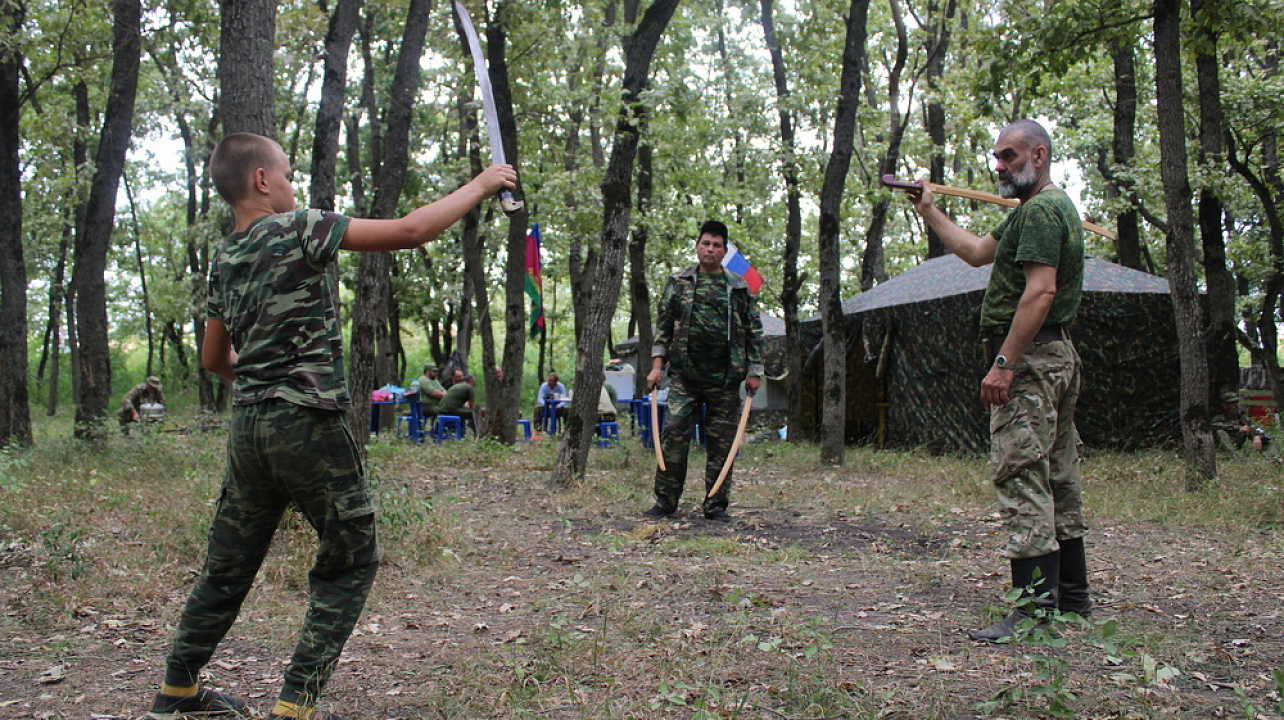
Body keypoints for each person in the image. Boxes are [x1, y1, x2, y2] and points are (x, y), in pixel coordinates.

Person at [146, 132, 514, 720]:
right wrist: (482, 183)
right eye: (287, 176)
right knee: (351, 556)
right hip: (308, 421)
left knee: (228, 563)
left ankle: (178, 691)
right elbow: (409, 231)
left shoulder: (225, 257)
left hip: (249, 428)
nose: (292, 187)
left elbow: (214, 360)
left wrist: (263, 377)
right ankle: (296, 704)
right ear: (262, 180)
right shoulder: (301, 227)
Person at [897, 119, 1090, 642]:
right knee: (1057, 475)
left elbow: (1041, 292)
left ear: (1040, 155)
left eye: (1010, 155)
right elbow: (977, 252)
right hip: (1053, 356)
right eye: (997, 157)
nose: (999, 166)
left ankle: (1033, 612)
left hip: (1031, 361)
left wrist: (1004, 362)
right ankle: (1073, 600)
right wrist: (929, 208)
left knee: (1021, 474)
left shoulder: (1043, 211)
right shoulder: (1034, 210)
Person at [644, 220, 763, 522]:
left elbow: (753, 330)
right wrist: (657, 368)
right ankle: (666, 502)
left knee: (722, 445)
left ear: (724, 251)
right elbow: (664, 327)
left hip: (725, 380)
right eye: (706, 243)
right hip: (684, 379)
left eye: (717, 245)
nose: (710, 249)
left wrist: (755, 371)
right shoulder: (679, 283)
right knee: (673, 437)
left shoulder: (738, 286)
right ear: (697, 247)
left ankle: (715, 505)